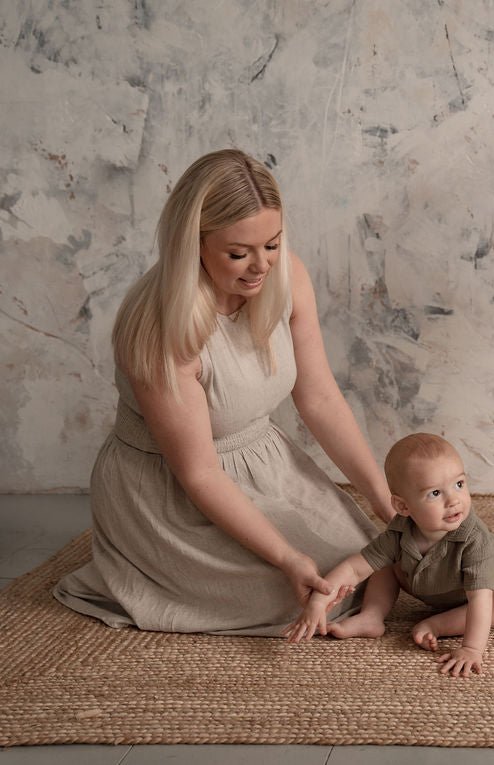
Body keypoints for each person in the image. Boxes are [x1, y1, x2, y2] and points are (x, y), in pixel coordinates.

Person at [53, 149, 395, 636]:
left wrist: (384, 500)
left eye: (272, 245)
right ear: (192, 245)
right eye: (238, 254)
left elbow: (318, 399)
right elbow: (199, 474)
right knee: (303, 587)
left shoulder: (286, 275)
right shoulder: (162, 330)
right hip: (173, 490)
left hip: (261, 459)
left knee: (365, 557)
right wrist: (285, 556)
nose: (260, 266)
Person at [284, 433, 494, 677]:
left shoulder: (475, 542)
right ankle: (372, 616)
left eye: (459, 484)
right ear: (403, 507)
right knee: (381, 563)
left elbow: (479, 601)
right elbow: (355, 569)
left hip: (475, 594)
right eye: (435, 493)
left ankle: (438, 624)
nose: (454, 500)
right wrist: (318, 601)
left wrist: (472, 649)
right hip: (424, 580)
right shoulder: (399, 533)